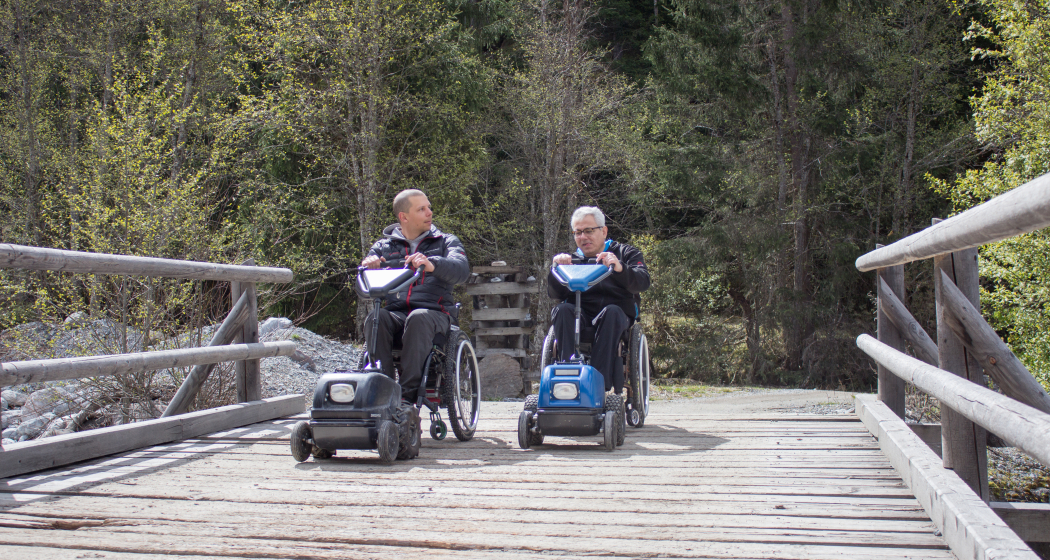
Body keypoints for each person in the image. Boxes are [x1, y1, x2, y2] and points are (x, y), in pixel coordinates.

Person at [360, 189, 470, 403]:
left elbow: (461, 270)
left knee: (418, 316)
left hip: (436, 315)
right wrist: (368, 270)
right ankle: (382, 390)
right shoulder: (383, 247)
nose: (429, 212)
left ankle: (406, 398)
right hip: (396, 315)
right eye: (422, 209)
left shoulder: (445, 241)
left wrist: (433, 264)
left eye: (428, 207)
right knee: (376, 316)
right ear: (404, 217)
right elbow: (363, 289)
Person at [548, 206, 650, 394]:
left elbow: (642, 282)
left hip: (616, 313)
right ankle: (566, 378)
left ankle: (597, 384)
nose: (583, 237)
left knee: (612, 312)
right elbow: (555, 295)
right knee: (562, 310)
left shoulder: (625, 253)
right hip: (581, 313)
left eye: (588, 230)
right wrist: (555, 270)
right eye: (578, 232)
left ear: (603, 231)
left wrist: (620, 268)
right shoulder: (570, 260)